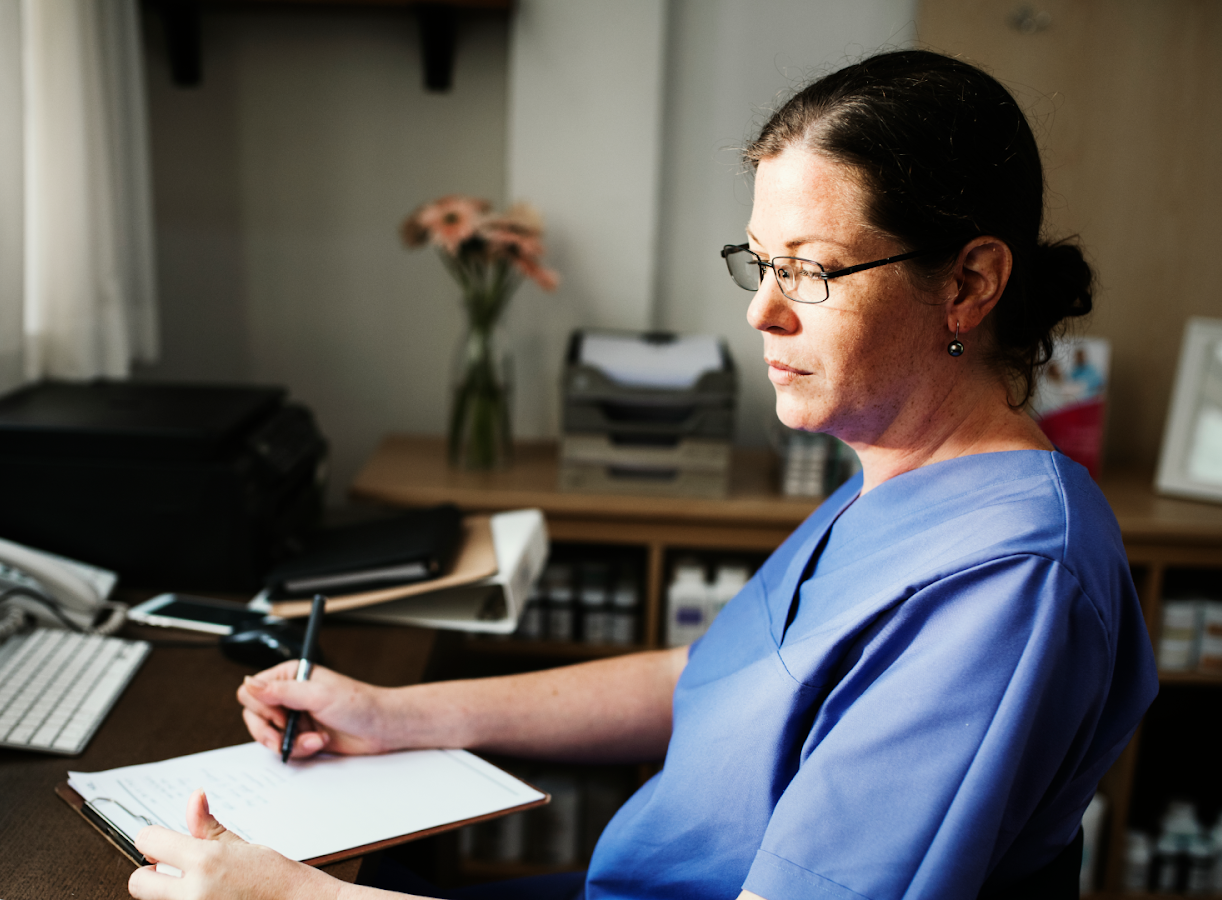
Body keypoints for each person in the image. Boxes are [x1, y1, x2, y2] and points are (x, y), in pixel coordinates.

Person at [126, 49, 1157, 900]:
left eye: (810, 270)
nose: (762, 312)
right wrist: (400, 715)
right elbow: (717, 684)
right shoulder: (900, 479)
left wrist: (295, 899)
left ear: (969, 284)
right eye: (760, 264)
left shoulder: (1008, 580)